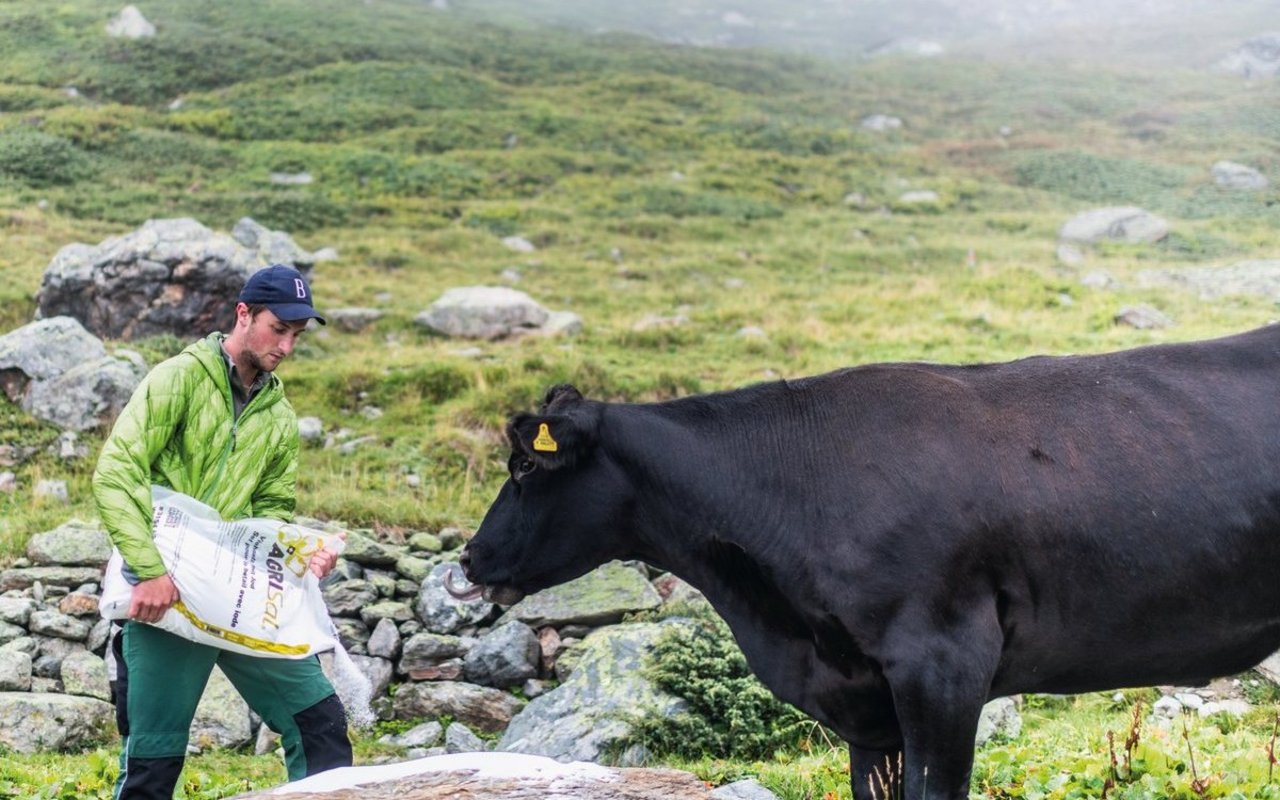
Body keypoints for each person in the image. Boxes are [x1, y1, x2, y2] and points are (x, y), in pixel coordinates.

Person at [93, 264, 352, 800]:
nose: (286, 346)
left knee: (321, 728)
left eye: (296, 336)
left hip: (239, 598)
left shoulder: (278, 415)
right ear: (243, 314)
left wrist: (303, 554)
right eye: (277, 329)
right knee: (152, 765)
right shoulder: (178, 379)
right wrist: (150, 572)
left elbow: (271, 513)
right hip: (164, 595)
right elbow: (116, 474)